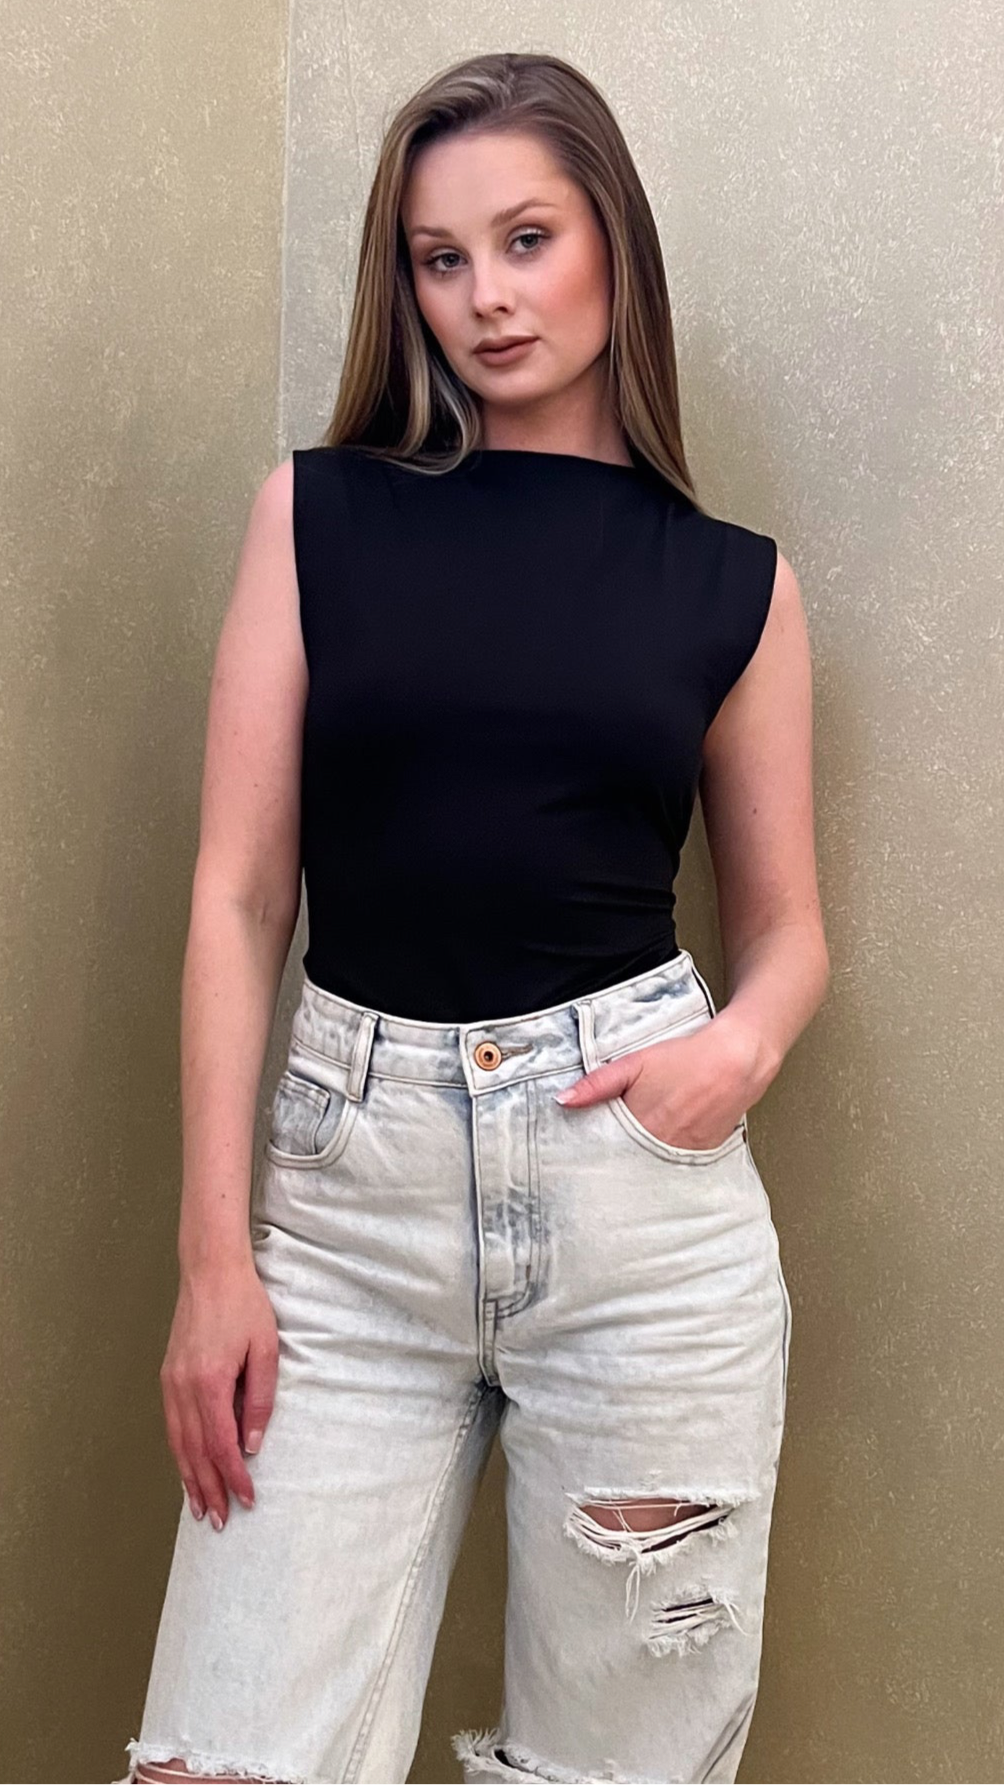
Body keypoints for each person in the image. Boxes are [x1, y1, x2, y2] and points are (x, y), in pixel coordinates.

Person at [111, 48, 828, 1785]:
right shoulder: (318, 516)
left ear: (612, 245)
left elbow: (789, 930)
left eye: (526, 240)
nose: (487, 297)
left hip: (640, 1221)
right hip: (348, 1221)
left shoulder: (732, 582)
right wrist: (214, 1262)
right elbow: (237, 895)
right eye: (441, 259)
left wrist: (734, 1055)